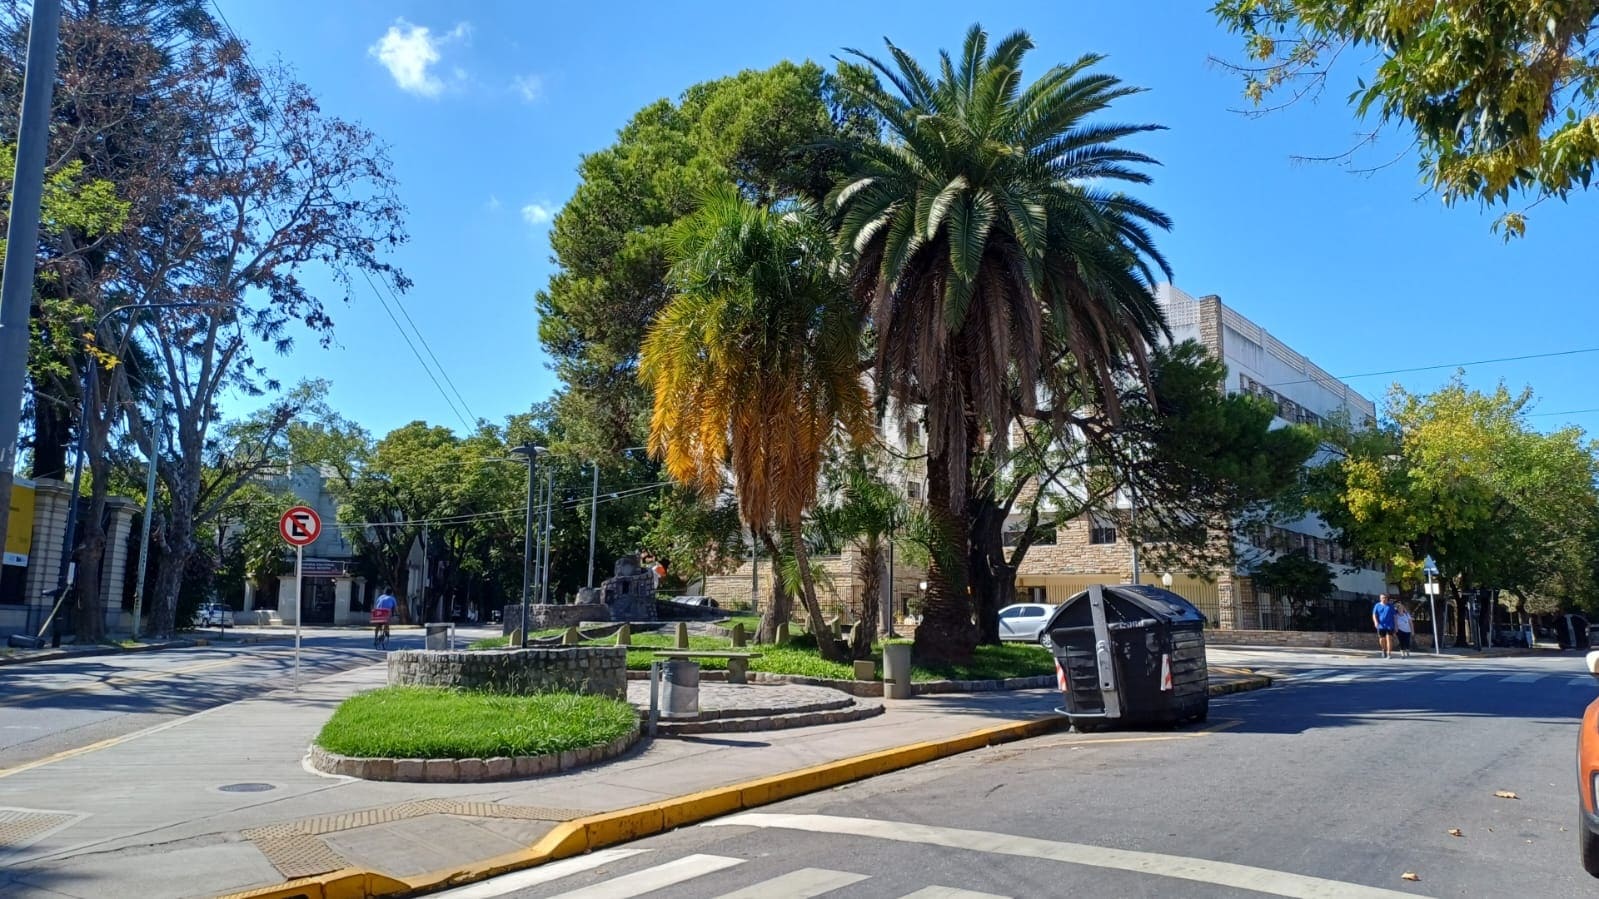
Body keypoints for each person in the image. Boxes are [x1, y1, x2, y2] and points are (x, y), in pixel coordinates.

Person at [1372, 593, 1397, 659]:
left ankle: (1389, 654)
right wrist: (1376, 622)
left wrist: (1396, 625)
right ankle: (1383, 649)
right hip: (1381, 626)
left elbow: (1395, 616)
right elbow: (1374, 615)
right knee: (1381, 639)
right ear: (1380, 598)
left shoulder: (1390, 606)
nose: (1384, 599)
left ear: (1387, 598)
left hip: (1390, 625)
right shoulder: (1377, 605)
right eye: (1382, 597)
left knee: (1389, 639)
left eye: (1385, 597)